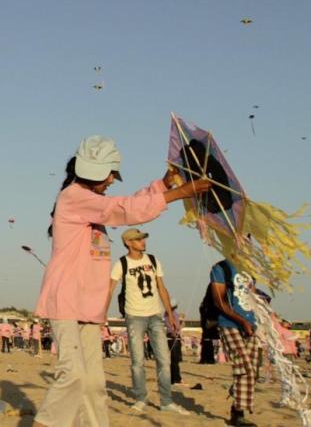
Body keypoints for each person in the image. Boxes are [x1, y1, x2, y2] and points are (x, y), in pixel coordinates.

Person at [32, 135, 210, 427]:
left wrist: (162, 185)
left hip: (88, 306)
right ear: (95, 171)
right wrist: (178, 194)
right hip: (66, 300)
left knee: (93, 382)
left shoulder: (93, 201)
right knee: (73, 375)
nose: (113, 179)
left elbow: (124, 204)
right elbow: (122, 209)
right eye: (111, 173)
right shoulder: (73, 197)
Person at [106, 228, 186, 414]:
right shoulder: (121, 264)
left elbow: (162, 288)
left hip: (156, 316)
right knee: (137, 361)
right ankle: (141, 398)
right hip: (134, 317)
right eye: (138, 239)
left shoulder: (152, 260)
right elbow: (109, 290)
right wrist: (102, 314)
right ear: (128, 243)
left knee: (164, 360)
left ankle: (166, 401)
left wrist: (170, 315)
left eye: (143, 239)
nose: (143, 242)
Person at [209, 258, 259, 426]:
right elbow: (220, 301)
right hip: (229, 324)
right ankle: (238, 413)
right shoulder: (221, 268)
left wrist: (255, 321)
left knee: (251, 371)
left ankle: (236, 403)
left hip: (251, 324)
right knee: (245, 369)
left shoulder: (250, 268)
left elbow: (252, 297)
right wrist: (241, 321)